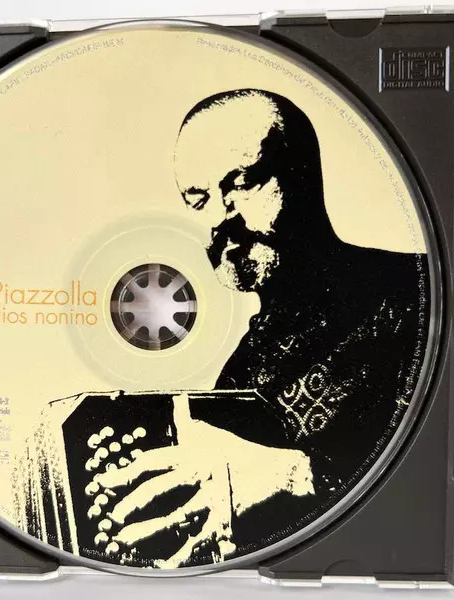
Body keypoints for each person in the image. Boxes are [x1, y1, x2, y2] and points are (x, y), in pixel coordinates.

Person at [94, 89, 429, 567]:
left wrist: (293, 476)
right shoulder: (241, 366)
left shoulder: (419, 291)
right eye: (198, 200)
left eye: (243, 182)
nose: (218, 218)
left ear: (305, 176)